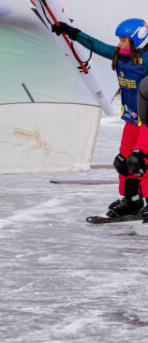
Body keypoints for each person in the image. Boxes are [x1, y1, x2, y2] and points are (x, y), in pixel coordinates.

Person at [52, 18, 148, 218]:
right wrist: (71, 32)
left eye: (123, 40)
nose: (119, 43)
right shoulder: (120, 55)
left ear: (136, 40)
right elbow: (97, 46)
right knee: (124, 162)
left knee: (140, 161)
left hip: (146, 120)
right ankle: (132, 202)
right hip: (132, 119)